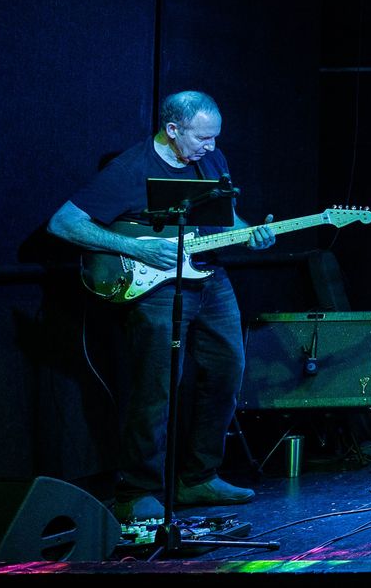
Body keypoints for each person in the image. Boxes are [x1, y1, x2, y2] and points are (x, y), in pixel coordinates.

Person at [49, 91, 276, 521]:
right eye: (202, 138)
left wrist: (252, 234)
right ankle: (137, 489)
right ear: (172, 130)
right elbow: (64, 222)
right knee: (156, 386)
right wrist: (136, 249)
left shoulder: (212, 159)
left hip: (210, 276)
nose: (211, 146)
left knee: (228, 370)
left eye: (215, 137)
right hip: (157, 284)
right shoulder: (130, 169)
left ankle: (199, 477)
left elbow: (225, 217)